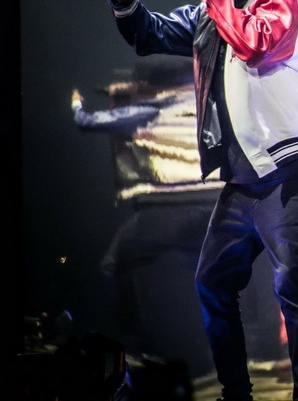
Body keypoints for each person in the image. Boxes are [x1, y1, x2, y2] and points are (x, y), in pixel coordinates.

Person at [107, 0, 298, 401]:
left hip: (292, 169)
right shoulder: (213, 12)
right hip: (246, 177)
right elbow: (153, 33)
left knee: (290, 279)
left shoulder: (282, 1)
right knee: (212, 281)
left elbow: (253, 43)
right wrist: (127, 6)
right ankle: (236, 393)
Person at [71, 55, 223, 363]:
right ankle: (232, 345)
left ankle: (136, 345)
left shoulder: (149, 108)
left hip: (171, 208)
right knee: (207, 276)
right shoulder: (209, 104)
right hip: (217, 208)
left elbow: (87, 122)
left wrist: (75, 102)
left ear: (151, 85)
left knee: (114, 264)